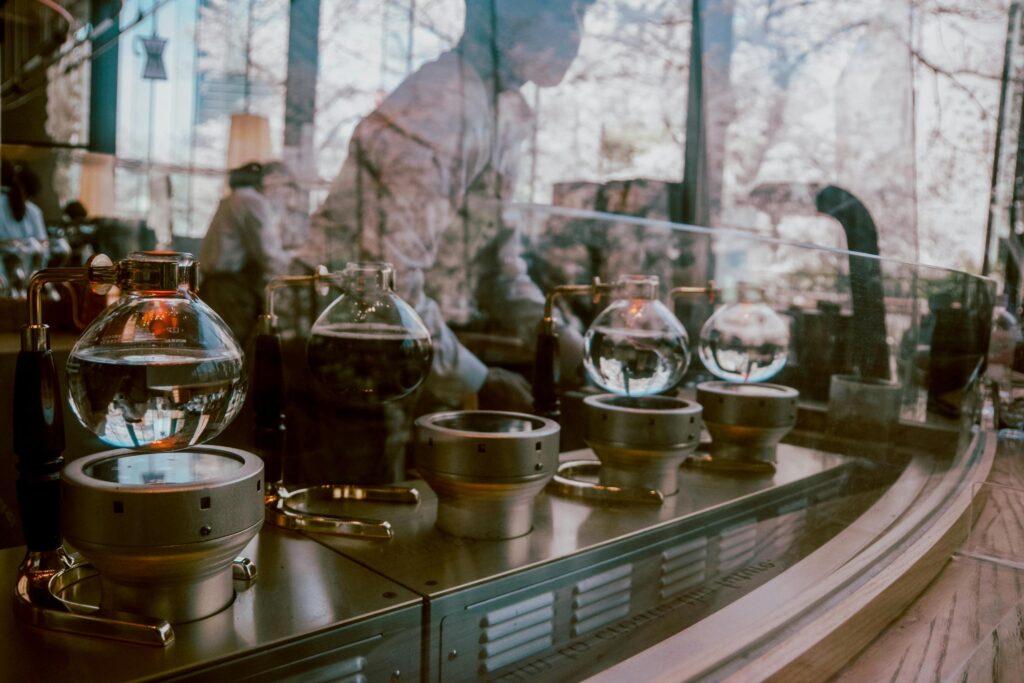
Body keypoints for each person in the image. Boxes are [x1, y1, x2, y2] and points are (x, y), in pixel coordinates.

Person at [308, 0, 593, 414]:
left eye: (581, 15)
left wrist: (555, 335)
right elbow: (386, 277)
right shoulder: (438, 103)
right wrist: (478, 379)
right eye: (562, 10)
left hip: (400, 342)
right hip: (341, 344)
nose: (573, 33)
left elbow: (498, 264)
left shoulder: (502, 111)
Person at [200, 162, 293, 344]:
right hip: (230, 290)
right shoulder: (250, 200)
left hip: (216, 286)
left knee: (218, 347)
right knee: (231, 349)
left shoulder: (232, 199)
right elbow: (268, 254)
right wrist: (294, 262)